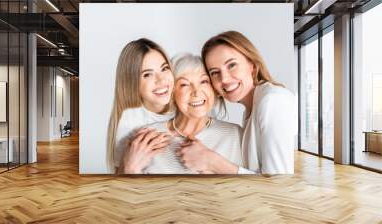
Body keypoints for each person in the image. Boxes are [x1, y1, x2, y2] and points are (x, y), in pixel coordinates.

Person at [176, 31, 295, 175]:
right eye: (215, 72)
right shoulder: (251, 108)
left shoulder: (272, 101)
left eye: (231, 65)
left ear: (252, 64)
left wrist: (211, 161)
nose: (224, 79)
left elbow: (279, 183)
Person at [121, 53, 246, 174]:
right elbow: (119, 192)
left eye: (203, 81)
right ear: (171, 93)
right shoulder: (146, 137)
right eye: (184, 84)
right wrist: (130, 170)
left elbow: (252, 190)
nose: (196, 92)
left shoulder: (235, 135)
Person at [107, 38, 175, 174]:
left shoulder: (190, 106)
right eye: (147, 74)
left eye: (164, 68)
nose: (161, 80)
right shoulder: (128, 125)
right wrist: (130, 168)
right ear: (131, 82)